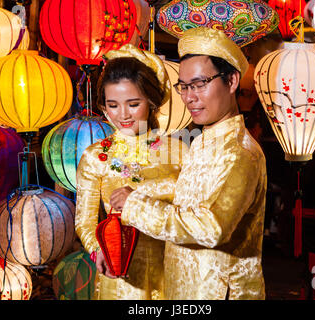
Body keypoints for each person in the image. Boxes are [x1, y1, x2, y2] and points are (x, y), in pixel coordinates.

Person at [110, 27, 267, 300]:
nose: (188, 97)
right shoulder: (202, 141)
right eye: (183, 86)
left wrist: (136, 204)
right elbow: (186, 197)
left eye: (199, 84)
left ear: (231, 81)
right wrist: (138, 190)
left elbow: (212, 227)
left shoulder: (241, 153)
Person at [75, 44, 188, 300]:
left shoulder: (179, 152)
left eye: (133, 103)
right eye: (113, 105)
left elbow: (193, 208)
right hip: (121, 278)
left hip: (171, 267)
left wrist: (139, 191)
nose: (123, 115)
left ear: (151, 100)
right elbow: (85, 220)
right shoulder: (95, 157)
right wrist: (98, 250)